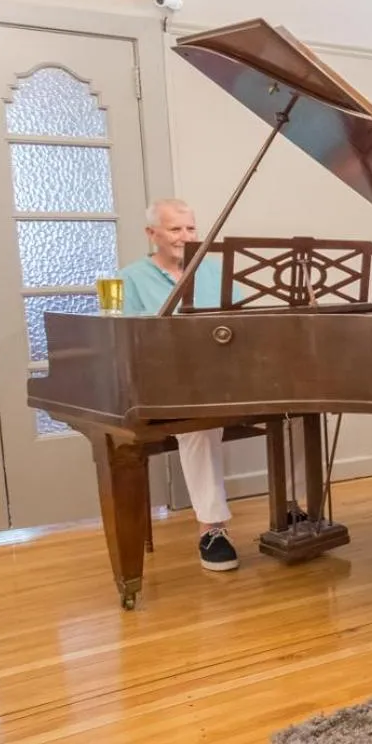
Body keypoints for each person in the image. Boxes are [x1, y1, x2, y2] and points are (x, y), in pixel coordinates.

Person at [120, 198, 239, 572]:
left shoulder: (214, 272)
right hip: (165, 383)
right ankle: (212, 529)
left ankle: (295, 509)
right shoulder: (130, 278)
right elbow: (125, 340)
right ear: (151, 233)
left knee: (298, 404)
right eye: (175, 229)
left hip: (221, 376)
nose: (185, 236)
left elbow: (244, 322)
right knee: (200, 425)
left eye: (190, 228)